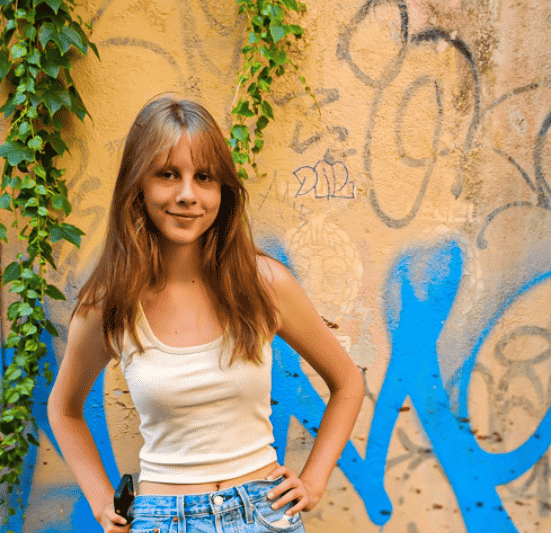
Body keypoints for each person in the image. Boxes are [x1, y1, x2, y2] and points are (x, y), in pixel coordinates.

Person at [47, 96, 365, 533]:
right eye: (167, 175)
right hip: (164, 520)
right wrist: (103, 502)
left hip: (264, 513)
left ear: (223, 190)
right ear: (137, 184)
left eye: (204, 178)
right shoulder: (110, 301)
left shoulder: (264, 284)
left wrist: (312, 481)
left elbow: (348, 382)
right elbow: (64, 410)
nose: (187, 195)